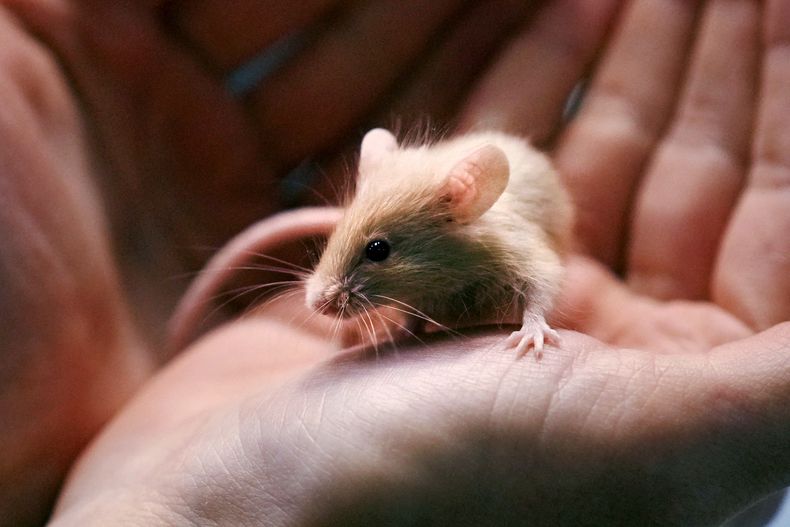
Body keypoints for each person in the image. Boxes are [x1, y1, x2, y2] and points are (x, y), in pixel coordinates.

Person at [0, 0, 787, 525]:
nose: (329, 287)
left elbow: (538, 274)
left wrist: (536, 322)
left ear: (463, 206)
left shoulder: (485, 223)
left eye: (373, 253)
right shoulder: (410, 215)